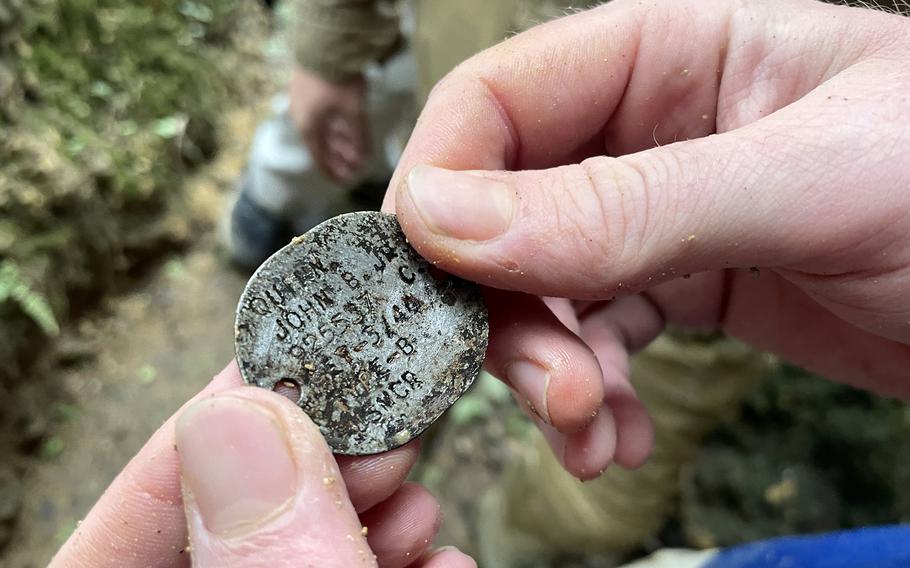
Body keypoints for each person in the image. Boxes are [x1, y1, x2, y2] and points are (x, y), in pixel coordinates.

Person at [52, 0, 910, 566]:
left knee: (597, 464)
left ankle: (527, 542)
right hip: (469, 127)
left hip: (703, 277)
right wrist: (329, 50)